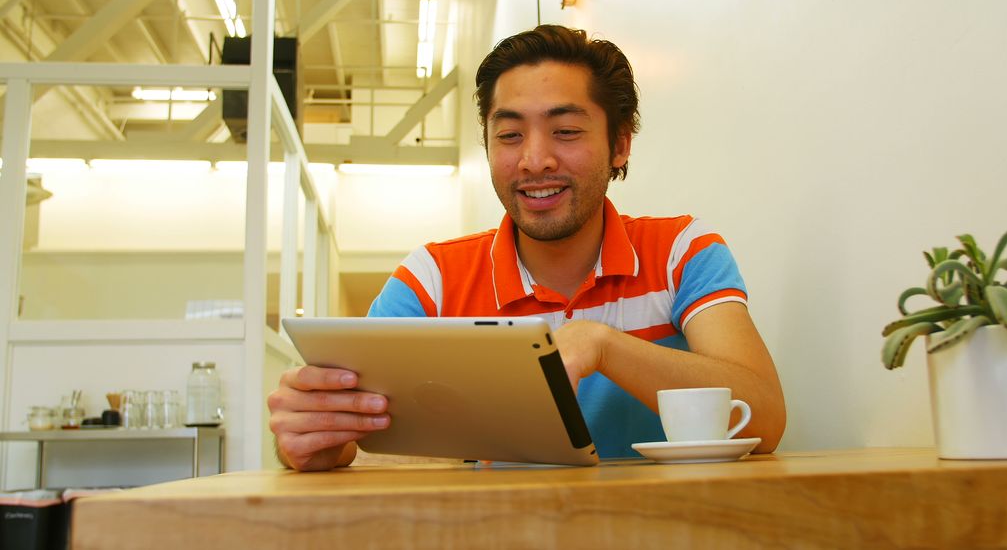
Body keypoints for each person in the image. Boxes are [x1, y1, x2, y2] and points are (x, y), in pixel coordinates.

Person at [268, 25, 786, 470]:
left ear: (621, 144)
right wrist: (313, 443)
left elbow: (765, 415)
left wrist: (603, 346)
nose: (534, 160)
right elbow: (352, 428)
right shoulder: (433, 279)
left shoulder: (681, 251)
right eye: (510, 135)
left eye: (565, 131)